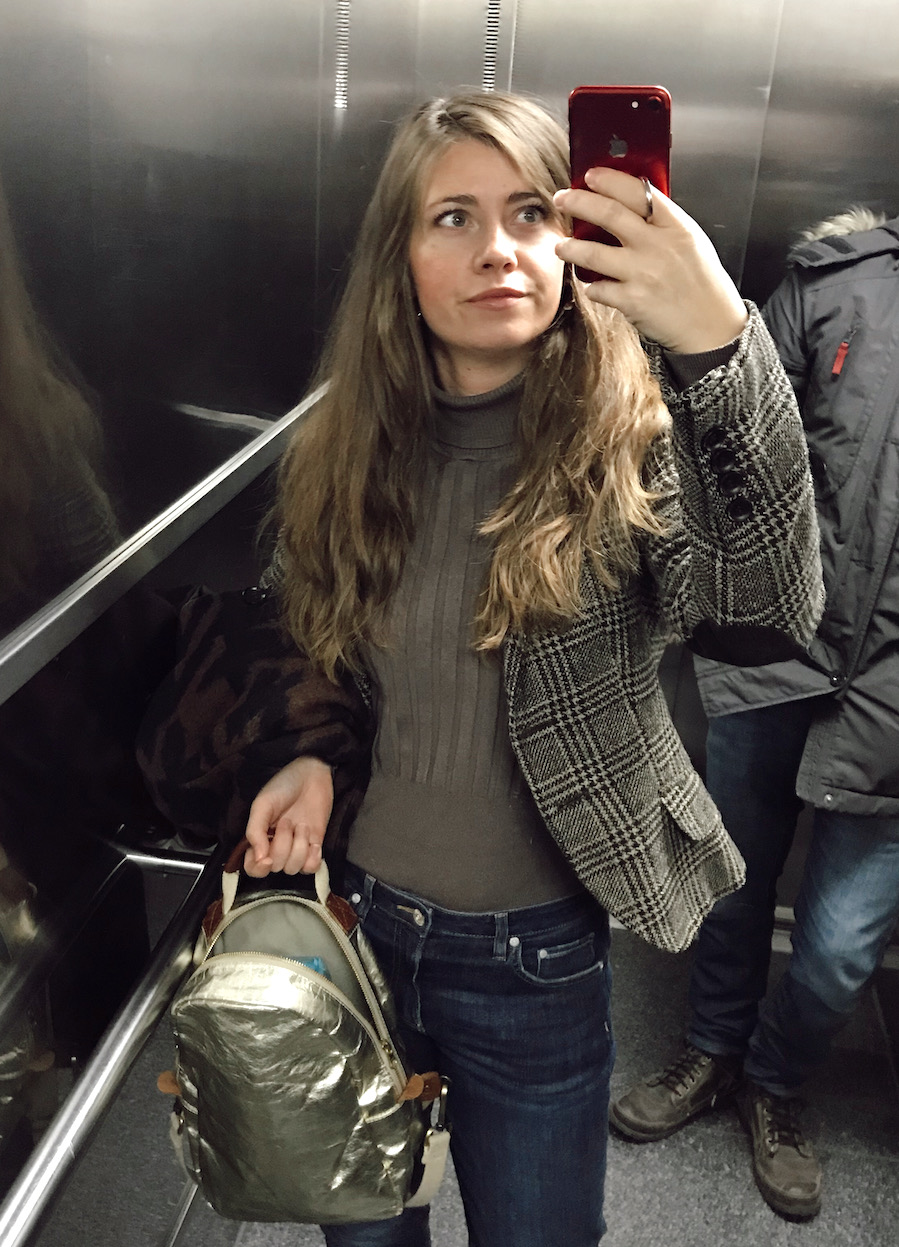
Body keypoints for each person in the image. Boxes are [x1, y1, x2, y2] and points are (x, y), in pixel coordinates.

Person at [202, 90, 822, 1246]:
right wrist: (306, 754)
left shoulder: (634, 442)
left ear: (572, 237)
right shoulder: (346, 449)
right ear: (401, 260)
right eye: (453, 217)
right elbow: (302, 636)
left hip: (535, 959)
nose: (498, 247)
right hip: (357, 925)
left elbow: (770, 608)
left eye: (532, 211)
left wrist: (720, 348)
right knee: (365, 1228)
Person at [610, 205, 899, 1222]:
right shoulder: (838, 282)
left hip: (896, 698)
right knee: (728, 883)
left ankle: (776, 1081)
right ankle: (713, 1051)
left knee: (839, 949)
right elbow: (720, 431)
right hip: (779, 644)